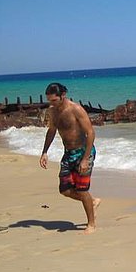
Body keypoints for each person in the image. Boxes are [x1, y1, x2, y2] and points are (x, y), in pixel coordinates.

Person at [39, 83, 101, 234]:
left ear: (63, 95)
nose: (51, 103)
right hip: (68, 153)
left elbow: (91, 133)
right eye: (49, 101)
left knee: (82, 190)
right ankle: (92, 202)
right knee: (65, 190)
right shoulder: (53, 112)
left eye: (54, 100)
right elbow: (52, 131)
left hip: (83, 152)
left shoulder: (76, 110)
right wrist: (44, 152)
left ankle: (91, 224)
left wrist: (85, 159)